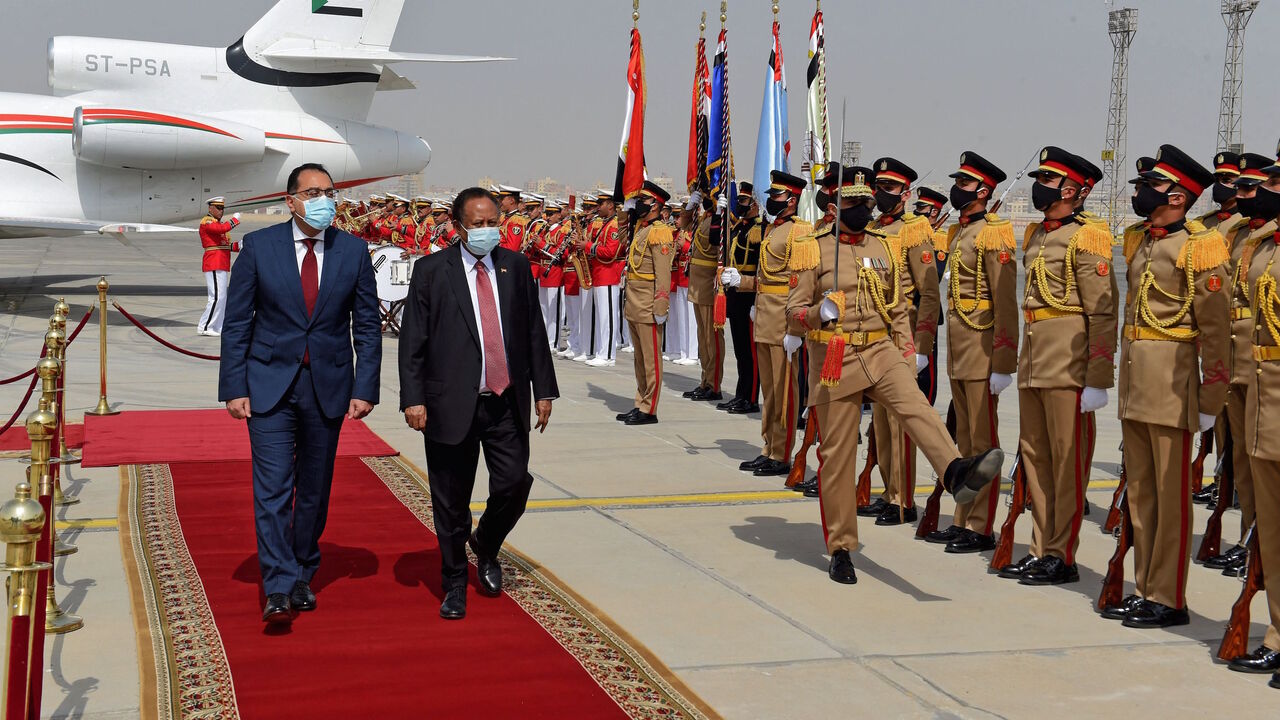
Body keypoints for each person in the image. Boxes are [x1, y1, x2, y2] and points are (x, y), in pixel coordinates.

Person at [784, 166, 1005, 584]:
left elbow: (900, 306)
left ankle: (955, 471)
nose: (865, 209)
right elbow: (792, 314)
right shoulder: (811, 249)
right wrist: (818, 313)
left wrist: (907, 352)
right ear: (833, 208)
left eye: (868, 202)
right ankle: (841, 547)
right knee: (837, 457)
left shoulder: (883, 246)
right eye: (854, 204)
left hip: (881, 347)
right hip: (835, 354)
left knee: (916, 407)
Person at [218, 163, 382, 625]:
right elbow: (237, 322)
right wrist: (234, 386)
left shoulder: (352, 251)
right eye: (312, 193)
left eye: (328, 192)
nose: (323, 200)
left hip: (327, 387)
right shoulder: (259, 247)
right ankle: (277, 585)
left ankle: (303, 570)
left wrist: (365, 386)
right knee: (272, 490)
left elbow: (367, 326)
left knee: (313, 490)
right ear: (290, 200)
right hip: (268, 385)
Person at [399, 186, 559, 620]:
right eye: (479, 224)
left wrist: (544, 390)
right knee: (450, 500)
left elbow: (533, 332)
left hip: (506, 402)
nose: (488, 231)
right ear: (458, 226)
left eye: (494, 223)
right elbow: (414, 340)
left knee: (512, 484)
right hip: (449, 404)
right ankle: (454, 581)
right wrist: (412, 399)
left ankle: (485, 544)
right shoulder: (433, 271)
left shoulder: (515, 266)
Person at [1101, 144, 1229, 628]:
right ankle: (1144, 587)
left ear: (1177, 197)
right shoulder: (1142, 240)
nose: (1140, 194)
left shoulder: (1200, 248)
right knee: (1142, 495)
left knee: (1171, 499)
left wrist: (1212, 399)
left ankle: (1169, 597)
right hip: (1137, 385)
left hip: (1174, 386)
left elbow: (1215, 333)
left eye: (1150, 187)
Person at [996, 147, 1118, 585]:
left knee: (1067, 463)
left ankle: (1062, 555)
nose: (1039, 186)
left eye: (1048, 179)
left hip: (1069, 363)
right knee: (1036, 459)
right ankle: (1041, 547)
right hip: (1034, 360)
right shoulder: (1036, 235)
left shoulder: (1087, 237)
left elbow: (1103, 314)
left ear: (1071, 190)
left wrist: (1098, 377)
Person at [925, 152, 1017, 554]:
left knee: (983, 442)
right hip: (960, 352)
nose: (956, 189)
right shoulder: (961, 232)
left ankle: (980, 526)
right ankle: (963, 519)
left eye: (963, 184)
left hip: (982, 351)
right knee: (964, 439)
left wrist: (1003, 362)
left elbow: (1005, 305)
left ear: (982, 191)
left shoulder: (993, 234)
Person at [858, 157, 941, 527]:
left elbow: (929, 293)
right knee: (880, 419)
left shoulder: (914, 230)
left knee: (899, 420)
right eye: (879, 186)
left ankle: (903, 499)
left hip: (902, 334)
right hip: (874, 336)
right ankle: (888, 491)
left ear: (905, 194)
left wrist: (922, 347)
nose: (881, 193)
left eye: (889, 188)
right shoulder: (874, 227)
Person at [1202, 152, 1273, 575]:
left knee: (1262, 464)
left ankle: (1265, 548)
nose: (1238, 194)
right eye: (1238, 187)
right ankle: (1250, 541)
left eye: (1248, 187)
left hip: (1261, 362)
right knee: (1241, 463)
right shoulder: (1233, 231)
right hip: (1232, 359)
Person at [1232, 152, 1280, 683]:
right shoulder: (1263, 246)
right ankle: (1277, 634)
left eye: (1272, 181)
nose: (1264, 189)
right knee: (1271, 523)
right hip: (1265, 390)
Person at [731, 171, 811, 477]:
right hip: (764, 315)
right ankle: (768, 446)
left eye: (776, 196)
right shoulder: (773, 230)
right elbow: (767, 278)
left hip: (783, 320)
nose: (770, 200)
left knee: (784, 391)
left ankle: (782, 453)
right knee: (769, 391)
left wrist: (796, 328)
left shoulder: (799, 232)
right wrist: (744, 283)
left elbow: (800, 283)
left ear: (792, 200)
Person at [615, 181, 675, 425]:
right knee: (640, 359)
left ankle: (649, 409)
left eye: (643, 200)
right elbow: (621, 241)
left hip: (649, 302)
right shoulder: (640, 228)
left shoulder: (659, 231)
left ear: (656, 206)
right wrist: (623, 211)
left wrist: (661, 305)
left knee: (651, 361)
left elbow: (663, 273)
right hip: (634, 301)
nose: (639, 203)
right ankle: (640, 402)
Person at [717, 184, 765, 413]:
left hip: (750, 294)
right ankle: (741, 394)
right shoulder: (737, 227)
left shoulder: (761, 229)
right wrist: (719, 214)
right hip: (735, 294)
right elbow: (714, 241)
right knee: (740, 350)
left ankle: (751, 398)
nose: (740, 204)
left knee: (751, 352)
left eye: (744, 201)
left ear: (755, 204)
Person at [685, 193, 725, 400]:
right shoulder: (702, 218)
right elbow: (683, 223)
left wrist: (720, 214)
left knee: (712, 339)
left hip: (709, 286)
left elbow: (718, 242)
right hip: (697, 286)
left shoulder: (721, 219)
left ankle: (714, 384)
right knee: (703, 339)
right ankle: (705, 380)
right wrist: (690, 206)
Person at [587, 192, 626, 367]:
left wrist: (587, 246)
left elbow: (611, 252)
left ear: (610, 205)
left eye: (601, 204)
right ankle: (601, 352)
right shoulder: (606, 224)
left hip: (609, 275)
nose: (597, 207)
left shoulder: (615, 225)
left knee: (608, 316)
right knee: (601, 316)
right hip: (600, 274)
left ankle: (608, 355)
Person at [197, 197, 242, 337]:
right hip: (214, 262)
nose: (221, 211)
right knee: (216, 297)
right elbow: (222, 229)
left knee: (222, 297)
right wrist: (235, 220)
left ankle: (217, 326)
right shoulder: (207, 221)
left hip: (221, 262)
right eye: (218, 208)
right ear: (210, 208)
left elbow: (224, 245)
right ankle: (205, 327)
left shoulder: (217, 224)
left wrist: (239, 245)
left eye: (223, 208)